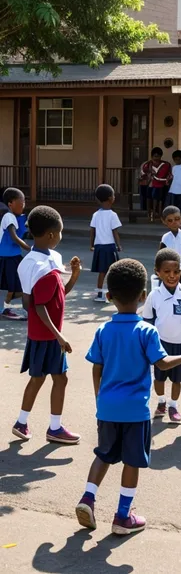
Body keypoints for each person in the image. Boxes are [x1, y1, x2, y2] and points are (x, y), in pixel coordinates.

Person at [75, 259, 181, 535]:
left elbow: (96, 368)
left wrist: (100, 399)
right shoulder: (146, 331)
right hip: (135, 411)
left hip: (107, 408)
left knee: (104, 454)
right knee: (132, 461)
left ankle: (87, 498)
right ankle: (123, 517)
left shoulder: (103, 330)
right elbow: (162, 363)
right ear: (144, 296)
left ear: (109, 296)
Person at [12, 205, 81, 444]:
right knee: (46, 378)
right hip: (46, 334)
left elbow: (57, 294)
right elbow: (34, 304)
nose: (61, 237)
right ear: (51, 234)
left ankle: (34, 423)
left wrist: (73, 276)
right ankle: (47, 426)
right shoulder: (38, 267)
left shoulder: (51, 259)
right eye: (60, 232)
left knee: (51, 378)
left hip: (46, 332)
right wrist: (59, 336)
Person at [142, 248, 181, 423]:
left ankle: (173, 405)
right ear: (158, 272)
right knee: (159, 378)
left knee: (178, 380)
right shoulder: (154, 295)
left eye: (176, 271)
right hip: (160, 344)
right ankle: (161, 401)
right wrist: (147, 345)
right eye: (167, 272)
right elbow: (147, 320)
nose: (172, 275)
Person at [0, 187, 30, 320]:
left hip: (14, 255)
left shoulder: (17, 217)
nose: (23, 205)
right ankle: (6, 308)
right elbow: (13, 236)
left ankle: (7, 306)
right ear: (10, 204)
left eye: (24, 202)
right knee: (13, 285)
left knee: (19, 284)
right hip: (7, 257)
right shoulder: (8, 216)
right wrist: (28, 248)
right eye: (21, 202)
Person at [90, 184, 122, 303]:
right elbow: (115, 232)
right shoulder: (112, 215)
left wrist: (91, 245)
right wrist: (119, 245)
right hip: (110, 246)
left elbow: (92, 231)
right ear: (110, 198)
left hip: (99, 246)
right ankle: (112, 294)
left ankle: (99, 294)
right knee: (113, 270)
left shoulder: (96, 214)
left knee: (102, 271)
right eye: (113, 195)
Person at [160, 205, 181, 289]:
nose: (174, 222)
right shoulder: (165, 237)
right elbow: (162, 252)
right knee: (171, 286)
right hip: (170, 266)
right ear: (164, 222)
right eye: (170, 220)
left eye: (177, 219)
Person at [147, 147, 171, 222]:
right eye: (155, 156)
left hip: (162, 185)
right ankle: (150, 214)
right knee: (150, 199)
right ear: (152, 156)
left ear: (161, 156)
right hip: (151, 185)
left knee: (160, 200)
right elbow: (143, 174)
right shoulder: (148, 164)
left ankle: (159, 214)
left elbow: (169, 174)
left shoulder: (166, 164)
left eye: (158, 156)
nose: (156, 158)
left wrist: (168, 179)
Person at [165, 150, 181, 217]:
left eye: (179, 159)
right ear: (174, 159)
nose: (177, 161)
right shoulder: (174, 168)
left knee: (180, 203)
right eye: (176, 159)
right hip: (175, 189)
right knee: (176, 204)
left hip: (180, 190)